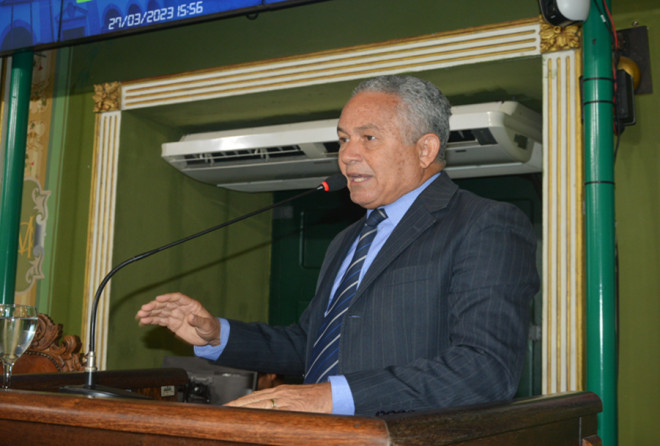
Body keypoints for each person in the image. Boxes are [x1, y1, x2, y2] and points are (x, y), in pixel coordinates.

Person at [136, 75, 539, 417]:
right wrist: (216, 335)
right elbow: (311, 345)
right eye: (343, 139)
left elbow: (484, 370)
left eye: (369, 137)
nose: (347, 155)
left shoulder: (484, 224)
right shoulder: (348, 239)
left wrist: (330, 397)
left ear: (425, 149)